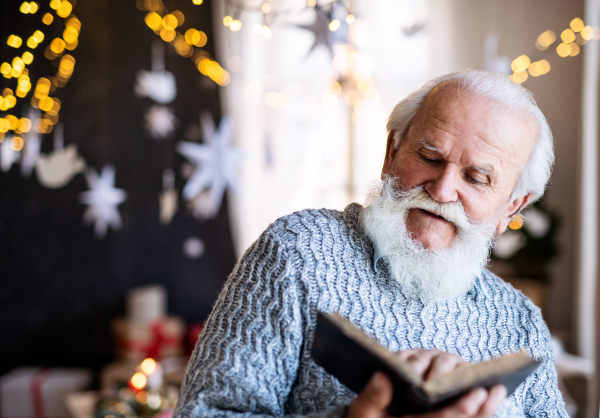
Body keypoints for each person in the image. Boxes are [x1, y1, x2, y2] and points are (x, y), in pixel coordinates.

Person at [174, 71, 567, 418]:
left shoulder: (521, 326)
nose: (443, 189)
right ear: (392, 152)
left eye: (477, 178)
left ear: (510, 208)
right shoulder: (297, 252)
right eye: (430, 157)